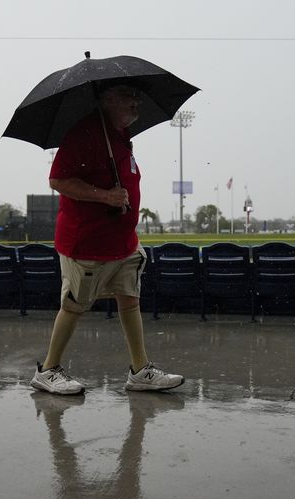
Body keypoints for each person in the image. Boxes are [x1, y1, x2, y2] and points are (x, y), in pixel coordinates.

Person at [30, 83, 185, 395]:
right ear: (107, 99)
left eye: (138, 96)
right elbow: (57, 179)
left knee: (129, 299)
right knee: (74, 304)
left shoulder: (120, 137)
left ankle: (140, 371)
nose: (136, 103)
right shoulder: (83, 134)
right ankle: (47, 370)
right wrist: (104, 196)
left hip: (123, 241)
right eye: (130, 96)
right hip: (87, 241)